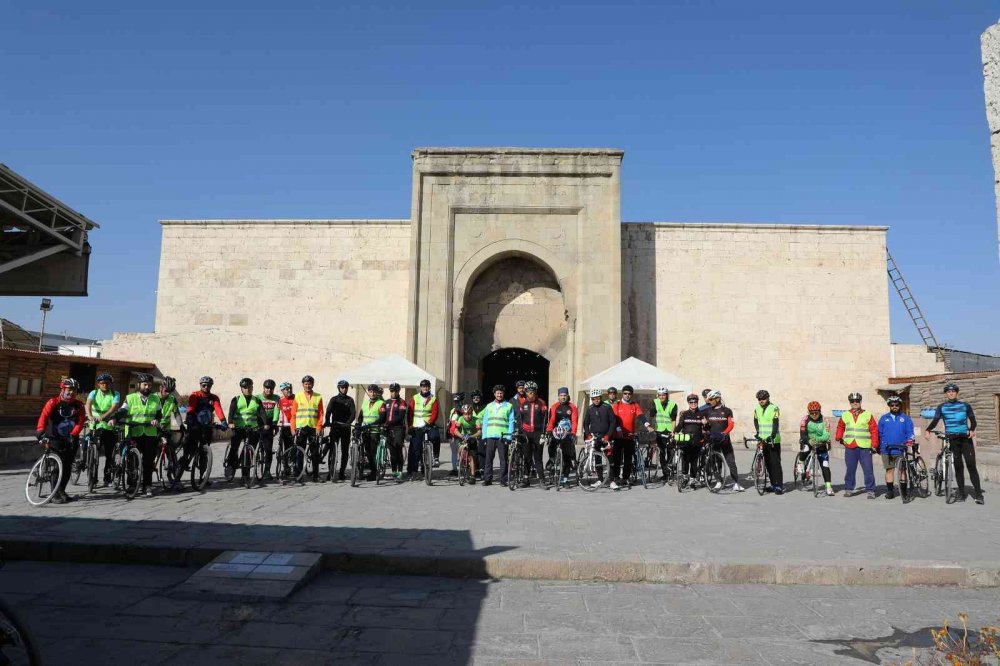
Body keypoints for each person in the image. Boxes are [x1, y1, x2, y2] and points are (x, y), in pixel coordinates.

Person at [925, 383, 983, 504]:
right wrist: (928, 430)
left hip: (965, 439)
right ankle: (961, 493)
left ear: (957, 393)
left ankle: (978, 495)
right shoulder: (941, 407)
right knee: (958, 466)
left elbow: (973, 421)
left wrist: (971, 429)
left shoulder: (965, 406)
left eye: (953, 391)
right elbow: (935, 420)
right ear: (946, 394)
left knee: (971, 465)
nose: (951, 393)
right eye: (948, 392)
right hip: (952, 440)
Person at [35, 378, 85, 503]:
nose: (72, 392)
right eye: (69, 389)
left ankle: (61, 490)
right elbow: (43, 417)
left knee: (67, 466)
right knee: (58, 465)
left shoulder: (79, 405)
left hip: (71, 438)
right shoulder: (53, 402)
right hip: (55, 437)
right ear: (63, 389)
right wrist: (40, 431)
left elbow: (80, 422)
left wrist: (73, 434)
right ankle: (54, 493)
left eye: (74, 390)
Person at [118, 373, 162, 497]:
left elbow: (159, 413)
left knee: (148, 461)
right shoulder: (130, 398)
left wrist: (157, 420)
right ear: (139, 385)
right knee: (133, 461)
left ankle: (147, 485)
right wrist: (114, 418)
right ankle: (132, 484)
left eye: (149, 385)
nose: (147, 387)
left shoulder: (155, 398)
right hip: (134, 432)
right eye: (145, 384)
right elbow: (122, 411)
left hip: (150, 433)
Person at [177, 376, 226, 482]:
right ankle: (177, 477)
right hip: (194, 426)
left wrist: (223, 421)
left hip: (206, 426)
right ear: (200, 385)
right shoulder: (195, 395)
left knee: (204, 453)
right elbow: (191, 409)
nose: (206, 387)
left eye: (208, 385)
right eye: (204, 385)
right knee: (188, 451)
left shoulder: (214, 398)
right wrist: (190, 420)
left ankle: (203, 477)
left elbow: (218, 409)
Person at [835, 392, 879, 499]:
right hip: (850, 446)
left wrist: (874, 444)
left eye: (857, 401)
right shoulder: (845, 414)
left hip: (864, 447)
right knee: (850, 469)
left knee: (868, 469)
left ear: (860, 402)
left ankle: (871, 490)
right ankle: (849, 489)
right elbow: (840, 426)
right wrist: (839, 436)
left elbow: (874, 430)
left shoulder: (867, 414)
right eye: (852, 401)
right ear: (850, 402)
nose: (855, 403)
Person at [610, 384, 654, 489]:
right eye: (625, 393)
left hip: (629, 436)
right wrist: (618, 429)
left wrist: (647, 426)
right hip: (618, 436)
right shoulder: (617, 404)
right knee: (617, 459)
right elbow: (614, 419)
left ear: (632, 395)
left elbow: (641, 416)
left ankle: (625, 478)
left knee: (628, 459)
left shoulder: (634, 405)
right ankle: (616, 477)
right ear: (622, 394)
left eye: (629, 394)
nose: (627, 395)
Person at [225, 378, 269, 483]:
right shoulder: (236, 399)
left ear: (252, 387)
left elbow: (262, 413)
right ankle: (230, 466)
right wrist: (230, 422)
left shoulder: (256, 400)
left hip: (252, 429)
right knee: (234, 448)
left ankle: (245, 475)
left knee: (249, 453)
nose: (247, 389)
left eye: (249, 387)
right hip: (238, 428)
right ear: (241, 389)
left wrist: (266, 424)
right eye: (245, 387)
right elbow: (231, 412)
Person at [85, 372, 121, 486]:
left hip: (108, 426)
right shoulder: (94, 393)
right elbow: (88, 404)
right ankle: (93, 478)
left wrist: (103, 417)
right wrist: (90, 416)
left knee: (109, 454)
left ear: (110, 384)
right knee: (92, 451)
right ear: (98, 384)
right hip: (95, 426)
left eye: (107, 383)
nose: (104, 385)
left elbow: (113, 408)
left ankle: (107, 478)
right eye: (102, 383)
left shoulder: (115, 394)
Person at [878, 395, 914, 501]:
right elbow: (879, 433)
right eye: (892, 405)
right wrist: (878, 446)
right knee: (889, 470)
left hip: (901, 448)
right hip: (887, 449)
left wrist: (910, 440)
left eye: (896, 405)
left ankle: (904, 492)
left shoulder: (905, 418)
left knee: (902, 470)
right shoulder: (884, 418)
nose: (894, 406)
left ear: (900, 406)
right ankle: (890, 491)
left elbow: (910, 432)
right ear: (889, 406)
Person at [705, 390, 743, 491]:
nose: (709, 401)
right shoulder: (707, 411)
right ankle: (718, 481)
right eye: (708, 399)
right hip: (713, 440)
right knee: (715, 462)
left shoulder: (727, 411)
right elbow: (701, 421)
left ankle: (736, 483)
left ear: (718, 399)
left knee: (731, 462)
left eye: (711, 399)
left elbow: (731, 424)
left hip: (725, 440)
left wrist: (724, 433)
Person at [290, 375, 324, 482]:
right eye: (306, 384)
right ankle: (300, 475)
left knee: (315, 453)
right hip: (301, 427)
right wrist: (293, 428)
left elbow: (321, 414)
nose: (308, 386)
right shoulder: (298, 396)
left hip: (313, 427)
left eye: (309, 384)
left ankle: (316, 475)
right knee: (300, 452)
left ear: (313, 384)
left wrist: (319, 427)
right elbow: (293, 414)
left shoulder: (318, 397)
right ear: (303, 385)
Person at [515, 381, 549, 488]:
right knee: (527, 457)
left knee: (538, 458)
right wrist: (520, 431)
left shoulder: (541, 403)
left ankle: (542, 480)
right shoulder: (523, 404)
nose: (531, 394)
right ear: (525, 392)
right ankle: (526, 480)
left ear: (535, 392)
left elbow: (545, 419)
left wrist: (543, 433)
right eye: (528, 392)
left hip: (538, 433)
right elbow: (520, 419)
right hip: (526, 434)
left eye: (532, 392)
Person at [798, 401, 834, 496]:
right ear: (808, 412)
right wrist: (808, 440)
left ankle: (828, 487)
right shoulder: (805, 420)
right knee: (806, 449)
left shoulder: (825, 420)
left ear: (820, 412)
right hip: (808, 441)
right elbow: (803, 434)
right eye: (812, 413)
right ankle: (801, 462)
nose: (814, 415)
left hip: (821, 443)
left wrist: (818, 439)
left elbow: (826, 435)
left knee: (825, 464)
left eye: (816, 413)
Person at [481, 384, 515, 486]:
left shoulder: (509, 406)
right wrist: (484, 436)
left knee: (503, 459)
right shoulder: (489, 406)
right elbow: (485, 422)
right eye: (497, 393)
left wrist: (509, 436)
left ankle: (503, 480)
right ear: (494, 394)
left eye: (501, 393)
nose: (499, 395)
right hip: (490, 436)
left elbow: (511, 422)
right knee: (488, 459)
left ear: (503, 394)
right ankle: (487, 479)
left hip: (503, 437)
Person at [407, 379, 440, 480]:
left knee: (436, 437)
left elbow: (435, 413)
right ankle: (413, 471)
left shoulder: (433, 399)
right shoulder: (415, 398)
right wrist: (410, 425)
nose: (425, 388)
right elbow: (410, 413)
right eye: (423, 386)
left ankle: (435, 457)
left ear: (429, 388)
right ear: (420, 387)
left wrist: (430, 422)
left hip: (428, 424)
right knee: (415, 449)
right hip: (416, 425)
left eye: (426, 386)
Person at [582, 388, 616, 488]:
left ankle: (612, 481)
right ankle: (600, 480)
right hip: (595, 438)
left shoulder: (607, 407)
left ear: (601, 398)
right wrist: (588, 434)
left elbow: (613, 422)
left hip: (606, 437)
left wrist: (608, 436)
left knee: (610, 459)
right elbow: (585, 423)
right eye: (593, 399)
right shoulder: (590, 408)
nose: (596, 400)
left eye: (597, 398)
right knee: (597, 460)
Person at [753, 390, 785, 495]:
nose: (761, 401)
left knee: (775, 464)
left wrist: (773, 435)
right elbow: (756, 421)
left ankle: (779, 486)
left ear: (768, 398)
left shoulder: (774, 408)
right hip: (763, 440)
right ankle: (773, 484)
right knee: (768, 464)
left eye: (763, 399)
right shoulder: (757, 409)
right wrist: (758, 432)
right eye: (759, 399)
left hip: (773, 440)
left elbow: (775, 423)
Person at [324, 379, 356, 481]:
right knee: (332, 450)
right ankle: (331, 472)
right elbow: (328, 411)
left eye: (346, 387)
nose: (344, 389)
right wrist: (327, 421)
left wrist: (348, 423)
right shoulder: (334, 399)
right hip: (335, 427)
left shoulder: (350, 400)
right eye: (342, 387)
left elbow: (353, 413)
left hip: (345, 428)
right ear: (339, 388)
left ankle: (342, 472)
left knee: (345, 451)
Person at [546, 387, 578, 486]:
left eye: (565, 395)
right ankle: (551, 462)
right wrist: (549, 430)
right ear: (558, 396)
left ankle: (565, 479)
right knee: (551, 447)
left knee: (567, 457)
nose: (563, 397)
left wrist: (573, 433)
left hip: (567, 434)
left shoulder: (572, 407)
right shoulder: (554, 407)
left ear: (568, 396)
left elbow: (574, 421)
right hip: (556, 432)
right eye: (561, 395)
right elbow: (551, 420)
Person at [675, 394, 708, 488]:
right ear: (688, 403)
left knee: (694, 462)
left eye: (695, 402)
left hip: (697, 441)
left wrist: (705, 424)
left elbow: (707, 428)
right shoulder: (684, 414)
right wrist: (674, 432)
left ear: (697, 402)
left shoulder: (701, 414)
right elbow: (680, 425)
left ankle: (692, 480)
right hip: (686, 441)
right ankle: (685, 477)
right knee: (685, 460)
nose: (693, 403)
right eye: (691, 402)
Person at [356, 384, 385, 481]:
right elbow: (360, 417)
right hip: (365, 430)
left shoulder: (381, 403)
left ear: (377, 393)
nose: (372, 393)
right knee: (367, 452)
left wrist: (372, 425)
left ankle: (374, 472)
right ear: (368, 392)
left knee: (373, 452)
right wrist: (358, 425)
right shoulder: (364, 403)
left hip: (375, 430)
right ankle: (370, 470)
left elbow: (382, 418)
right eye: (370, 391)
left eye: (374, 392)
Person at [379, 383, 408, 481]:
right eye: (392, 391)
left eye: (396, 391)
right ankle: (394, 471)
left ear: (398, 391)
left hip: (399, 428)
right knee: (392, 452)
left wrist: (387, 423)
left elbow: (400, 417)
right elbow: (382, 416)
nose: (394, 392)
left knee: (398, 450)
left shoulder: (402, 402)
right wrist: (379, 423)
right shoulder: (385, 402)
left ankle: (400, 471)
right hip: (388, 429)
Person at [255, 379, 280, 481]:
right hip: (258, 422)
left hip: (269, 423)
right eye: (267, 388)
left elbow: (277, 411)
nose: (269, 390)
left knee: (268, 449)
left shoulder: (276, 398)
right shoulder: (257, 397)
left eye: (271, 388)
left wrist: (274, 423)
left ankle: (267, 471)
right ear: (263, 388)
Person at [650, 388, 678, 478]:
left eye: (664, 395)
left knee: (670, 452)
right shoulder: (655, 402)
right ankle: (665, 473)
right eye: (660, 395)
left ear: (667, 395)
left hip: (669, 431)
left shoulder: (673, 404)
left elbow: (673, 420)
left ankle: (670, 471)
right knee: (662, 453)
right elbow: (651, 416)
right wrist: (651, 428)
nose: (662, 397)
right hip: (659, 431)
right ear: (657, 395)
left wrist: (673, 432)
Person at [451, 402, 481, 483]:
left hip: (472, 438)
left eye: (469, 414)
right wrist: (461, 436)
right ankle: (461, 460)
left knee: (471, 456)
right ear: (463, 414)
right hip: (463, 437)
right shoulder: (460, 419)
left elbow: (479, 432)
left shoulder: (476, 420)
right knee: (460, 448)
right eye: (465, 414)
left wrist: (472, 436)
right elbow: (455, 431)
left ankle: (473, 476)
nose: (467, 416)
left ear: (472, 413)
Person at [157, 376, 183, 453]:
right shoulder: (152, 398)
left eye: (170, 391)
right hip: (154, 428)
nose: (168, 393)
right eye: (166, 391)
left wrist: (180, 426)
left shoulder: (172, 399)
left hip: (166, 428)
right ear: (160, 388)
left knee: (171, 450)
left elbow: (176, 414)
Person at [275, 382, 296, 477]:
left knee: (294, 447)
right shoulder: (280, 400)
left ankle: (294, 466)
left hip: (295, 425)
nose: (289, 390)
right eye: (286, 389)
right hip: (285, 426)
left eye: (290, 388)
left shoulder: (296, 398)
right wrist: (275, 423)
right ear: (282, 391)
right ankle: (286, 467)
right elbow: (277, 412)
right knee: (286, 448)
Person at [446, 392, 466, 477]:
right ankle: (454, 469)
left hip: (461, 434)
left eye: (458, 401)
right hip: (452, 435)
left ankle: (463, 468)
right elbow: (450, 421)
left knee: (462, 452)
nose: (457, 403)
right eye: (456, 401)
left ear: (462, 400)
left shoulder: (465, 409)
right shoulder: (452, 410)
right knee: (454, 452)